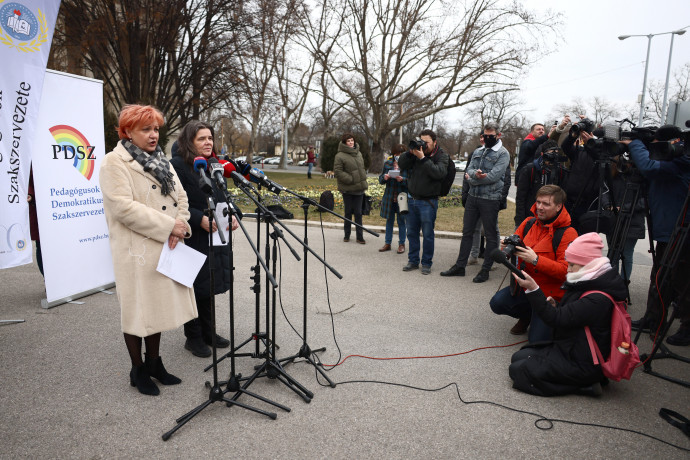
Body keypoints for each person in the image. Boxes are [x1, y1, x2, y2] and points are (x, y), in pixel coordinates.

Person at [100, 104, 197, 396]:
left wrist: (180, 224)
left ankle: (154, 363)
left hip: (163, 244)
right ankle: (137, 369)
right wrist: (170, 226)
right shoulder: (112, 163)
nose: (153, 135)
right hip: (135, 250)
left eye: (156, 128)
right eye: (146, 129)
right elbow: (124, 208)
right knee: (136, 310)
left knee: (155, 308)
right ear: (127, 131)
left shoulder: (161, 161)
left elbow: (181, 196)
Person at [508, 232, 626, 397]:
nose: (568, 269)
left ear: (587, 264)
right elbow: (575, 313)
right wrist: (556, 305)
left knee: (518, 371)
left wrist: (534, 289)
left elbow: (556, 319)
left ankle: (584, 386)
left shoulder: (598, 298)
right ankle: (581, 381)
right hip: (572, 348)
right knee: (518, 357)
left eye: (572, 264)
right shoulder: (592, 279)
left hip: (584, 362)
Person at [171, 121, 239, 358]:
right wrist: (198, 218)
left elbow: (224, 195)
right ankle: (194, 337)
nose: (208, 142)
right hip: (192, 234)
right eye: (201, 138)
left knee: (208, 285)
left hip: (216, 234)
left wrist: (233, 215)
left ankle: (209, 332)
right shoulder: (177, 166)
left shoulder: (214, 165)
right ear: (189, 142)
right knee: (193, 286)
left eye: (210, 138)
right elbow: (174, 202)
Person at [489, 185, 578, 342]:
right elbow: (514, 245)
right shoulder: (529, 223)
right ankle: (527, 316)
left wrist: (536, 260)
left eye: (546, 204)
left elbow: (567, 272)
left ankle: (553, 320)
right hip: (527, 289)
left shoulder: (568, 233)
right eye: (538, 202)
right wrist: (506, 249)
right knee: (497, 303)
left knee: (537, 342)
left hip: (549, 296)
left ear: (559, 206)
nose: (540, 208)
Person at [625, 131, 690, 346]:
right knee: (659, 277)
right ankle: (654, 318)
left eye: (656, 145)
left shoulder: (682, 160)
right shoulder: (671, 159)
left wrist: (635, 144)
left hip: (681, 231)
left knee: (682, 281)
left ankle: (687, 327)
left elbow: (649, 168)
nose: (655, 150)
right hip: (667, 230)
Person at [440, 122, 510, 283]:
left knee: (491, 236)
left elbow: (493, 176)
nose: (487, 139)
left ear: (498, 135)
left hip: (490, 199)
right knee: (467, 233)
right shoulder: (479, 151)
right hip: (473, 197)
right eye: (485, 135)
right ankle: (460, 266)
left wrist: (472, 180)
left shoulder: (503, 154)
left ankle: (485, 270)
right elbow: (469, 169)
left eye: (490, 136)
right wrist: (475, 176)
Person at [398, 128, 449, 275]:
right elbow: (402, 164)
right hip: (412, 199)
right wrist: (410, 152)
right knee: (412, 233)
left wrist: (423, 158)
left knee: (427, 234)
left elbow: (439, 173)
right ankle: (413, 261)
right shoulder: (415, 153)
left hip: (428, 202)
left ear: (434, 142)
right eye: (422, 141)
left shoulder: (442, 156)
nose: (424, 145)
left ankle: (426, 263)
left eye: (427, 142)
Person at [514, 140, 569, 227]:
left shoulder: (561, 170)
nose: (554, 156)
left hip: (552, 218)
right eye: (551, 153)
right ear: (543, 154)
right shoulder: (530, 169)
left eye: (556, 153)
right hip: (531, 217)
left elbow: (563, 196)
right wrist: (520, 222)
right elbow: (521, 197)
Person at [334, 133, 368, 244]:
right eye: (348, 141)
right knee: (348, 212)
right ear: (344, 143)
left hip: (359, 189)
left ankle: (360, 236)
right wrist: (351, 179)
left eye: (352, 140)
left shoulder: (359, 153)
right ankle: (347, 235)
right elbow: (338, 171)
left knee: (358, 213)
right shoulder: (339, 155)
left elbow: (362, 168)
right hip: (347, 188)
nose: (351, 142)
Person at [378, 144, 408, 254]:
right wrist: (385, 177)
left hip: (402, 197)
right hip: (389, 197)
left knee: (401, 222)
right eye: (396, 154)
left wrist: (403, 179)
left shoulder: (407, 165)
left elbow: (412, 182)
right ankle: (387, 243)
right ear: (393, 154)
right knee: (389, 221)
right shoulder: (388, 163)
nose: (398, 156)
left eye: (401, 154)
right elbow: (380, 179)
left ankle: (401, 244)